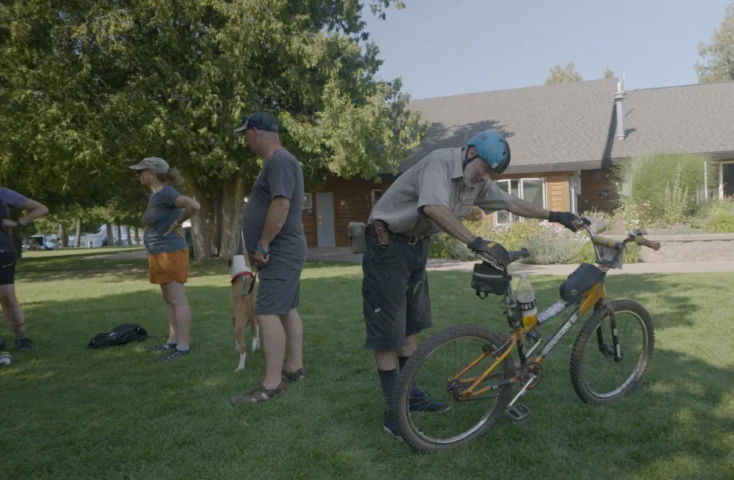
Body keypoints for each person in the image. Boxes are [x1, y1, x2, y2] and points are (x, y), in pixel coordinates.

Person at [363, 130, 587, 437]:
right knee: (389, 331)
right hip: (387, 244)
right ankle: (394, 414)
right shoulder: (440, 163)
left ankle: (409, 396)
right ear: (470, 154)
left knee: (409, 327)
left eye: (492, 174)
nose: (486, 178)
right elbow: (432, 208)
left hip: (415, 247)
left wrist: (557, 215)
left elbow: (510, 202)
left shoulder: (475, 179)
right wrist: (477, 241)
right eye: (485, 170)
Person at [230, 112, 308, 406]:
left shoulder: (279, 161)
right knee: (286, 309)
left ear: (255, 133)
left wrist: (262, 244)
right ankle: (294, 368)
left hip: (279, 249)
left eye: (246, 135)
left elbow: (281, 203)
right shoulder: (280, 161)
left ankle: (272, 384)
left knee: (265, 313)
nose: (247, 142)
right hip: (285, 248)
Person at [130, 157, 201, 361]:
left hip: (171, 252)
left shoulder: (167, 192)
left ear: (151, 173)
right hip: (158, 253)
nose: (139, 175)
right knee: (169, 299)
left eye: (141, 171)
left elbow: (193, 206)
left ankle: (183, 347)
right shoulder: (155, 196)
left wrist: (179, 223)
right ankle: (172, 340)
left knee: (178, 299)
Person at [0, 159, 49, 354]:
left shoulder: (1, 194)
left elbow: (41, 208)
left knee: (6, 297)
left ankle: (22, 338)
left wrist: (19, 223)